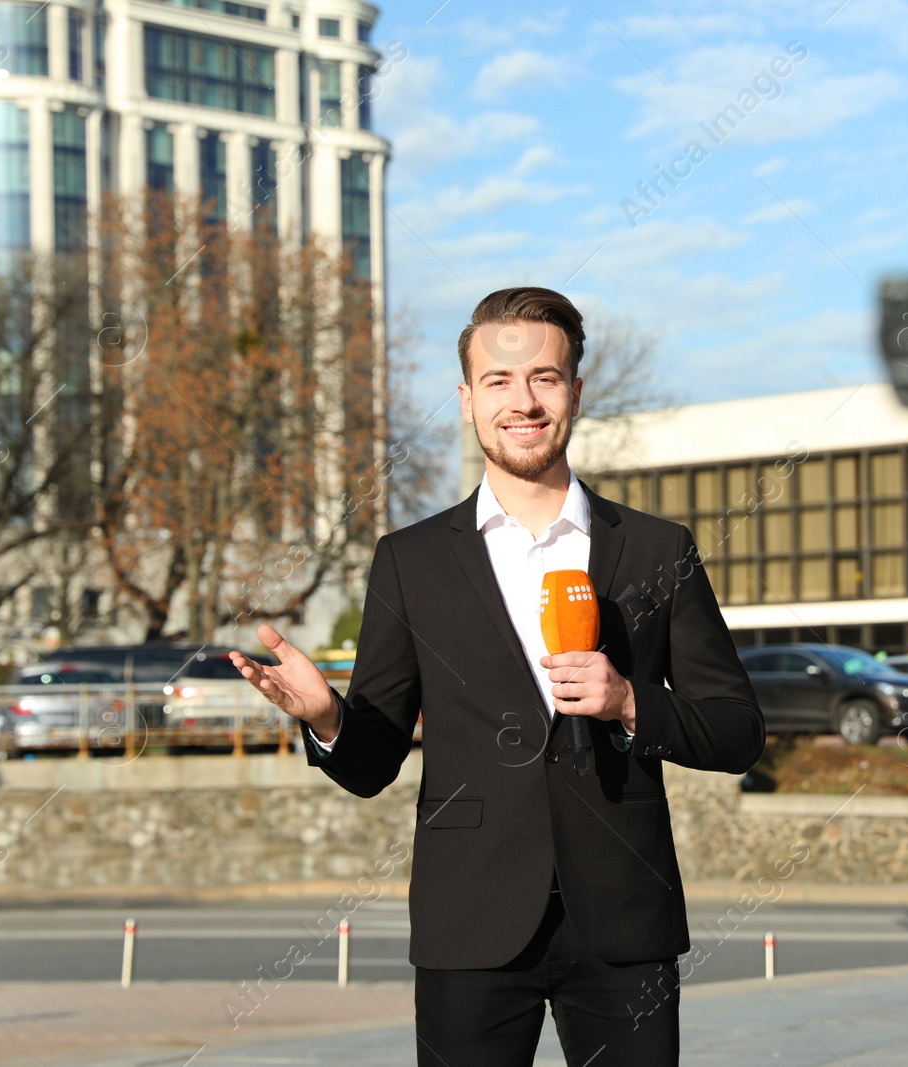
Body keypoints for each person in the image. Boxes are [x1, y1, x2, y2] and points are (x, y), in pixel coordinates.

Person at [229, 287, 765, 1067]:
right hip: (468, 922)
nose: (523, 400)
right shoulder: (410, 562)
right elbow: (373, 763)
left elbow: (738, 730)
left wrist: (627, 701)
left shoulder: (656, 549)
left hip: (624, 921)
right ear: (467, 398)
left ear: (575, 392)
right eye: (499, 380)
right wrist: (327, 718)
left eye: (545, 378)